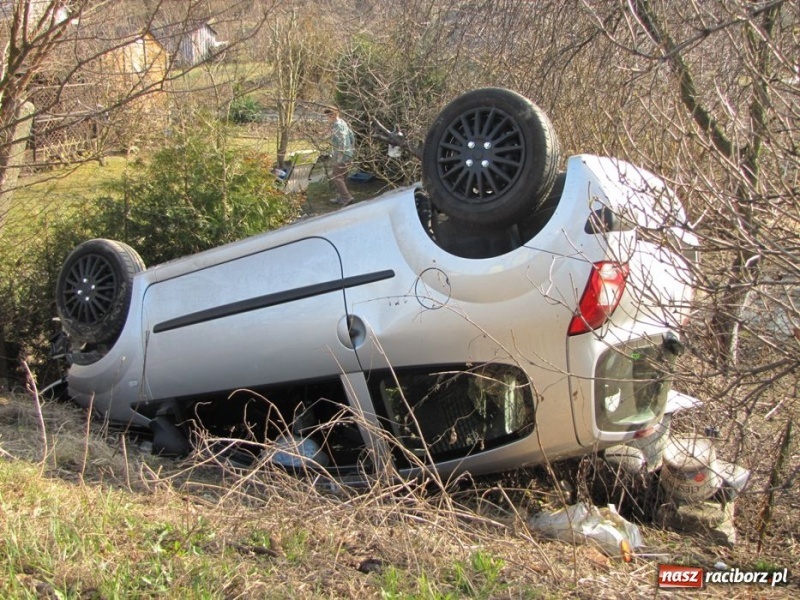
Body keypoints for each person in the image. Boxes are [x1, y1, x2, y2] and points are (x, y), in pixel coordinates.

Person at [324, 107, 355, 206]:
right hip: (348, 153)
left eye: (328, 116)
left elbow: (342, 141)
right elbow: (351, 135)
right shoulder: (342, 122)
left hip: (341, 155)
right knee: (343, 177)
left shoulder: (337, 126)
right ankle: (341, 197)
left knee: (337, 177)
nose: (327, 118)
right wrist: (352, 149)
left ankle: (347, 197)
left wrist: (340, 156)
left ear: (333, 114)